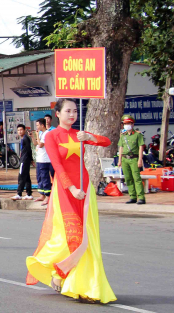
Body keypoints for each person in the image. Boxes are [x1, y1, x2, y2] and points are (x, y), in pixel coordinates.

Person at [26, 98, 115, 304]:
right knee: (69, 235)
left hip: (85, 189)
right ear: (57, 114)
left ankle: (86, 286)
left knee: (88, 237)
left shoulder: (79, 135)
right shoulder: (51, 136)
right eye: (68, 111)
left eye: (75, 111)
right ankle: (59, 271)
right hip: (65, 190)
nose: (72, 115)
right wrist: (71, 188)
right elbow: (57, 165)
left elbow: (107, 142)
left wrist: (90, 136)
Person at [118, 115, 146, 205]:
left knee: (136, 178)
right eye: (125, 124)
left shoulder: (138, 135)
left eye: (128, 123)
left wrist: (140, 160)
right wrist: (119, 160)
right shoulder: (123, 136)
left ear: (132, 124)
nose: (126, 125)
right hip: (124, 159)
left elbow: (141, 147)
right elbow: (121, 148)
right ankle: (132, 196)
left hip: (134, 158)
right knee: (128, 178)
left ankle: (141, 197)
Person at [34, 118, 54, 206]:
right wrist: (33, 136)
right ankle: (42, 194)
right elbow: (36, 144)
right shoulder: (42, 133)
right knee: (39, 177)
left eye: (38, 125)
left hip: (45, 160)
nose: (37, 127)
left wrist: (37, 135)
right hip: (40, 159)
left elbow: (41, 145)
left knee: (45, 178)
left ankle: (47, 196)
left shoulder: (46, 133)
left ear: (42, 125)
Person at [12, 125, 33, 200]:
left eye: (21, 130)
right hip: (24, 159)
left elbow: (29, 149)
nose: (20, 131)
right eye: (18, 130)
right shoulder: (23, 139)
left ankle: (19, 193)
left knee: (21, 177)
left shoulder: (25, 138)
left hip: (24, 160)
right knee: (27, 176)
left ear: (24, 130)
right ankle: (29, 193)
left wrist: (31, 159)